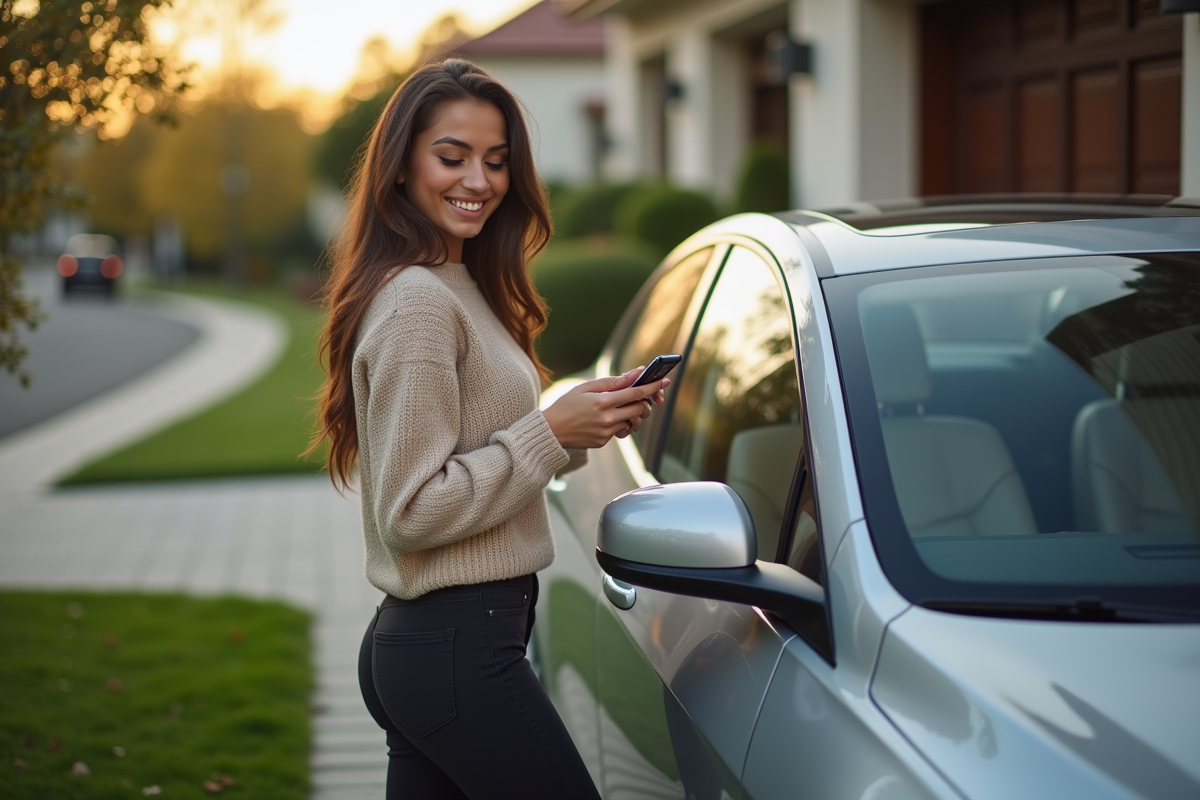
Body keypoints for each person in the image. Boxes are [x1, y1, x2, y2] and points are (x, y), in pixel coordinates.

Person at [307, 58, 670, 799]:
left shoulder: (456, 281)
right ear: (401, 165)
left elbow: (478, 455)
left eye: (497, 161)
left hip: (443, 643)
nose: (479, 180)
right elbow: (411, 511)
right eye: (453, 156)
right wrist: (545, 432)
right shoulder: (416, 302)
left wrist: (576, 430)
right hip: (456, 646)